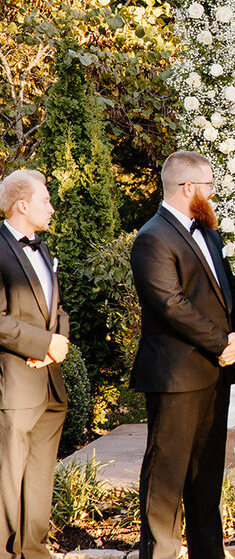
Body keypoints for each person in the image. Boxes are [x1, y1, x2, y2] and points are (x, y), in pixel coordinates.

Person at [130, 151, 235, 559]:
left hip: (215, 373)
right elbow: (172, 306)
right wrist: (223, 343)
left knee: (206, 475)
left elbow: (230, 287)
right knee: (166, 474)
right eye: (209, 186)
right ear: (188, 189)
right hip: (176, 377)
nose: (213, 193)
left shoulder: (208, 233)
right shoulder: (152, 237)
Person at [0, 170, 69, 559]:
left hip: (50, 384)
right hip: (15, 383)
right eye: (45, 200)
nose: (52, 207)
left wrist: (58, 342)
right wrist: (42, 344)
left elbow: (56, 307)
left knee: (40, 478)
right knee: (7, 481)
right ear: (22, 204)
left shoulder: (42, 248)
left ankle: (35, 551)